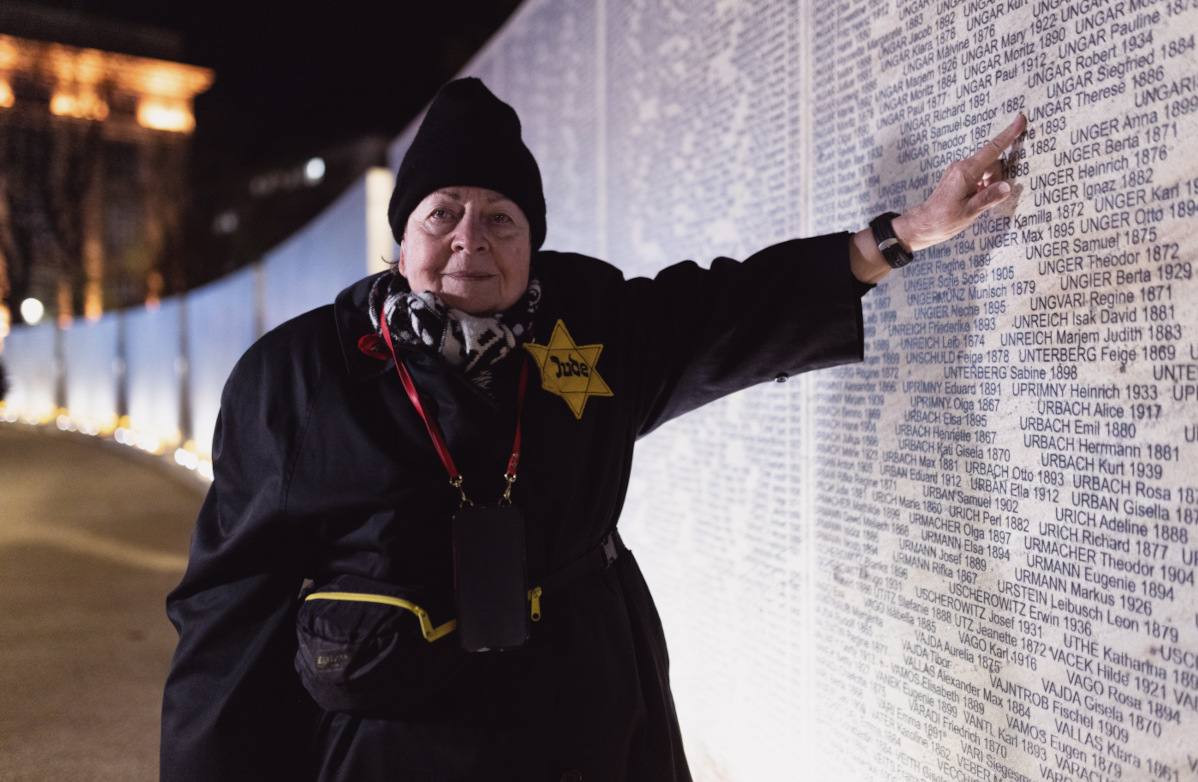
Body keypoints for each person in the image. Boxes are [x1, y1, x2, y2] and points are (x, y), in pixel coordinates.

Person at [160, 78, 1025, 782]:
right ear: (403, 237)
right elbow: (230, 621)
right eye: (443, 213)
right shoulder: (296, 379)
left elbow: (729, 310)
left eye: (501, 218)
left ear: (532, 241)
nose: (471, 240)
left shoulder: (589, 327)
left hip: (583, 725)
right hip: (397, 742)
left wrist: (907, 233)